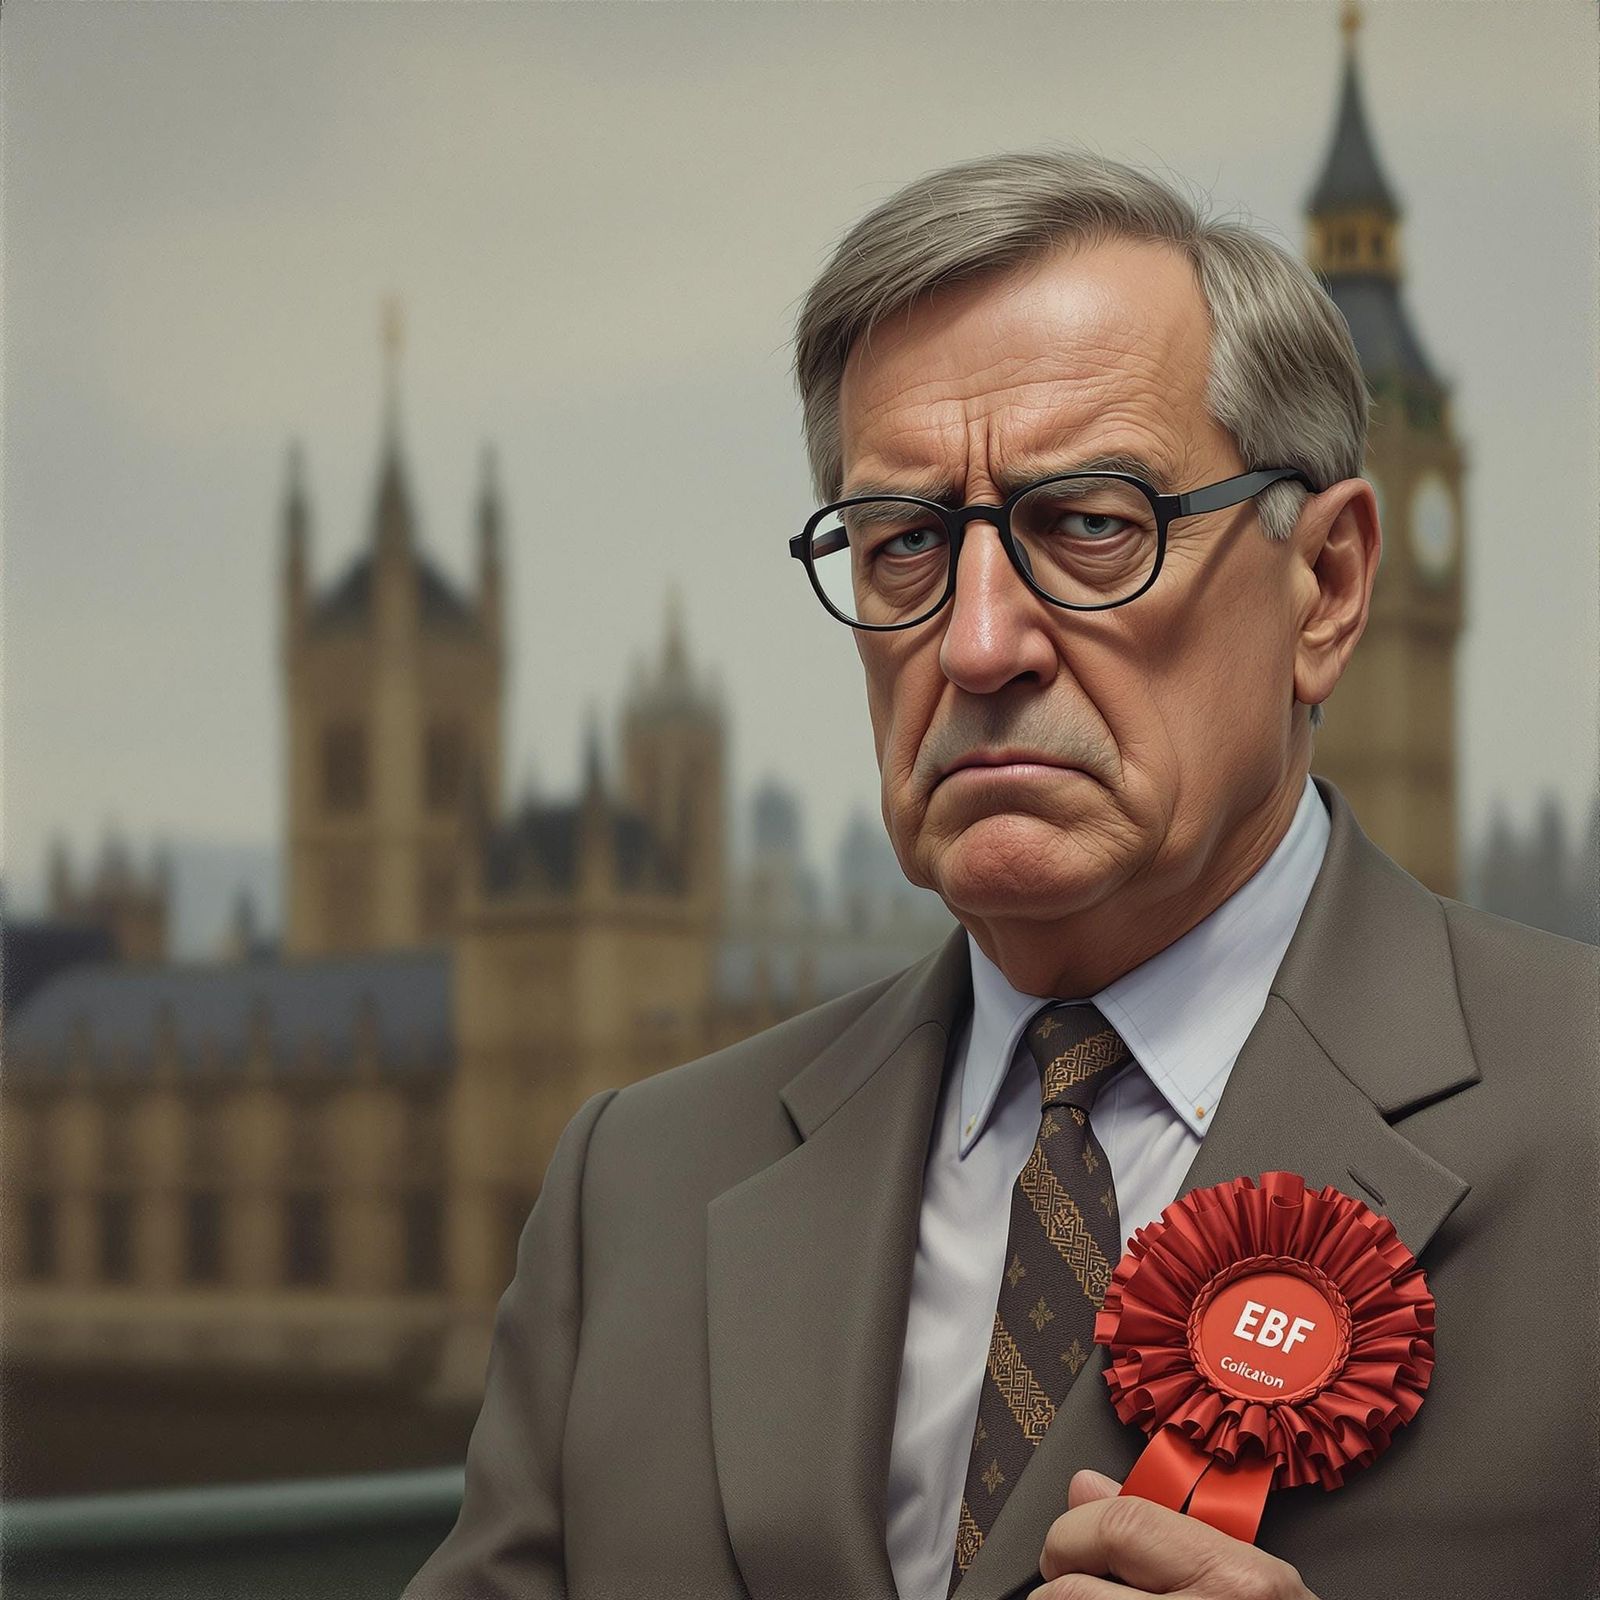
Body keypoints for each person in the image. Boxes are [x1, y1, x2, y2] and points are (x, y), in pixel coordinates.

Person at [402, 150, 1597, 1600]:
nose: (976, 644)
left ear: (1327, 588)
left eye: (1093, 525)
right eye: (904, 544)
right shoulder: (636, 1190)